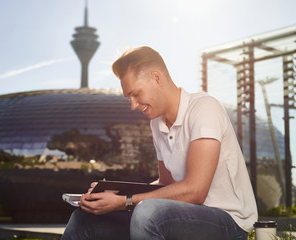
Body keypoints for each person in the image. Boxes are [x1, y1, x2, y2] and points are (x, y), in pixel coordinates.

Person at [61, 46, 258, 240]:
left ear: (157, 78)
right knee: (84, 219)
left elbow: (196, 191)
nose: (133, 105)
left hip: (228, 221)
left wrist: (125, 201)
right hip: (179, 216)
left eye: (136, 94)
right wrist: (114, 193)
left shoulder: (204, 108)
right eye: (129, 97)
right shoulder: (157, 123)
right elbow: (165, 184)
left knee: (147, 213)